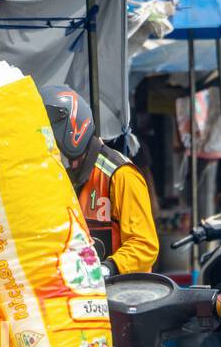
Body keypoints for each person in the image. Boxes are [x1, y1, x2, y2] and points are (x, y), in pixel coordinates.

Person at [39, 84, 159, 275]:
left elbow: (144, 245)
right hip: (80, 292)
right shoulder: (59, 178)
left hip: (124, 293)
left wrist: (108, 268)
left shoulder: (120, 175)